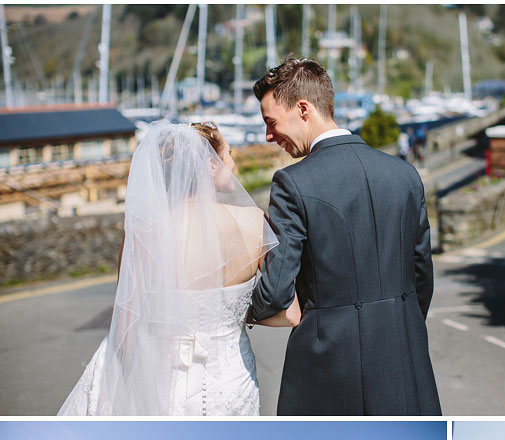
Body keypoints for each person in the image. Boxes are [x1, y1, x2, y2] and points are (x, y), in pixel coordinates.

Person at [58, 120, 299, 415]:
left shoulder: (144, 232)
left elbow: (125, 325)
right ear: (210, 165)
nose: (233, 164)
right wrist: (236, 316)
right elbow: (290, 314)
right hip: (231, 379)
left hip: (160, 379)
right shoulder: (253, 223)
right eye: (229, 154)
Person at [250, 57, 441, 415]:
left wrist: (241, 311)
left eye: (270, 122)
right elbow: (422, 276)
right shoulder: (404, 174)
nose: (269, 136)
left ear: (303, 109)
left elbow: (276, 292)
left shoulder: (292, 184)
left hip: (327, 372)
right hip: (404, 361)